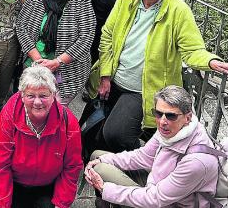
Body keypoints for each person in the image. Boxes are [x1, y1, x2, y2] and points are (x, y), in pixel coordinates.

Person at [86, 0, 228, 153]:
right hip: (114, 79)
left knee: (117, 134)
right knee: (95, 134)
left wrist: (212, 62)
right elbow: (107, 35)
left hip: (142, 89)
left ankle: (145, 167)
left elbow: (192, 49)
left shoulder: (178, 10)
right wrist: (105, 75)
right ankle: (109, 171)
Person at [86, 86, 220, 208]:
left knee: (101, 169)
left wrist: (106, 190)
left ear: (188, 117)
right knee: (97, 156)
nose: (162, 121)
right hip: (158, 185)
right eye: (158, 113)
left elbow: (155, 199)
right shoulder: (173, 129)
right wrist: (105, 159)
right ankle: (109, 203)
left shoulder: (197, 161)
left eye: (171, 115)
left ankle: (110, 201)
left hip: (167, 202)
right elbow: (142, 157)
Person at [0, 65, 82, 208]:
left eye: (43, 95)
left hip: (48, 186)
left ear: (53, 95)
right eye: (31, 96)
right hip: (15, 185)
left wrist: (61, 203)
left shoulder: (68, 122)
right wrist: (2, 204)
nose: (37, 102)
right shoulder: (6, 120)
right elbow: (1, 166)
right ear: (21, 95)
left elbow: (72, 166)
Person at [15, 0, 96, 105]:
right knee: (32, 106)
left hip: (67, 71)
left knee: (56, 110)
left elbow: (86, 37)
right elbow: (21, 27)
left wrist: (57, 62)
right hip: (34, 66)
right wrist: (39, 61)